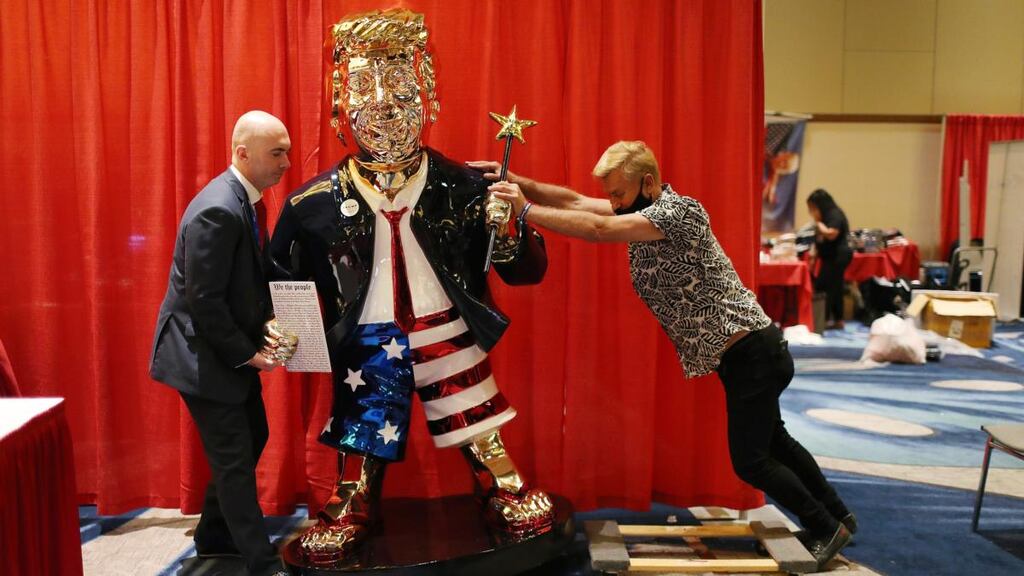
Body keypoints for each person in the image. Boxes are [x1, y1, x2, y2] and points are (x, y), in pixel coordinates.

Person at [475, 140, 856, 570]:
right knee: (776, 444)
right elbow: (577, 202)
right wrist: (514, 181)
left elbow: (598, 230)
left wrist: (524, 210)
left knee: (752, 461)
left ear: (649, 183)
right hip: (746, 355)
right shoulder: (642, 210)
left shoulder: (679, 213)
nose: (613, 203)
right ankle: (838, 517)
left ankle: (824, 527)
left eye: (619, 193)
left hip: (753, 353)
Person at [268, 9, 552, 565]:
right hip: (367, 337)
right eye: (364, 86)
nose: (383, 105)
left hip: (446, 327)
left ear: (428, 96)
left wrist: (511, 229)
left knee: (474, 410)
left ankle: (499, 479)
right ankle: (351, 500)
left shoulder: (466, 187)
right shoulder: (311, 204)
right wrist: (286, 329)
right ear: (339, 106)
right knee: (362, 422)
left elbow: (526, 270)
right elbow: (282, 277)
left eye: (399, 85)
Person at [149, 110, 293, 576]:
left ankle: (214, 535)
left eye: (287, 151)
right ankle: (262, 563)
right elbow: (205, 301)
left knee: (255, 435)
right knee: (234, 457)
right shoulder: (219, 208)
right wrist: (248, 354)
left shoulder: (248, 201)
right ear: (242, 153)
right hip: (201, 356)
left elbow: (251, 280)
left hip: (218, 347)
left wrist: (279, 314)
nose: (286, 162)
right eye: (277, 153)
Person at [806, 188, 852, 330]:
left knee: (824, 286)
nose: (811, 212)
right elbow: (818, 240)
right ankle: (838, 320)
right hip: (829, 256)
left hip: (838, 256)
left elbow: (832, 234)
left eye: (813, 208)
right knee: (836, 287)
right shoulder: (823, 218)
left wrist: (819, 225)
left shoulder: (834, 215)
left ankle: (822, 320)